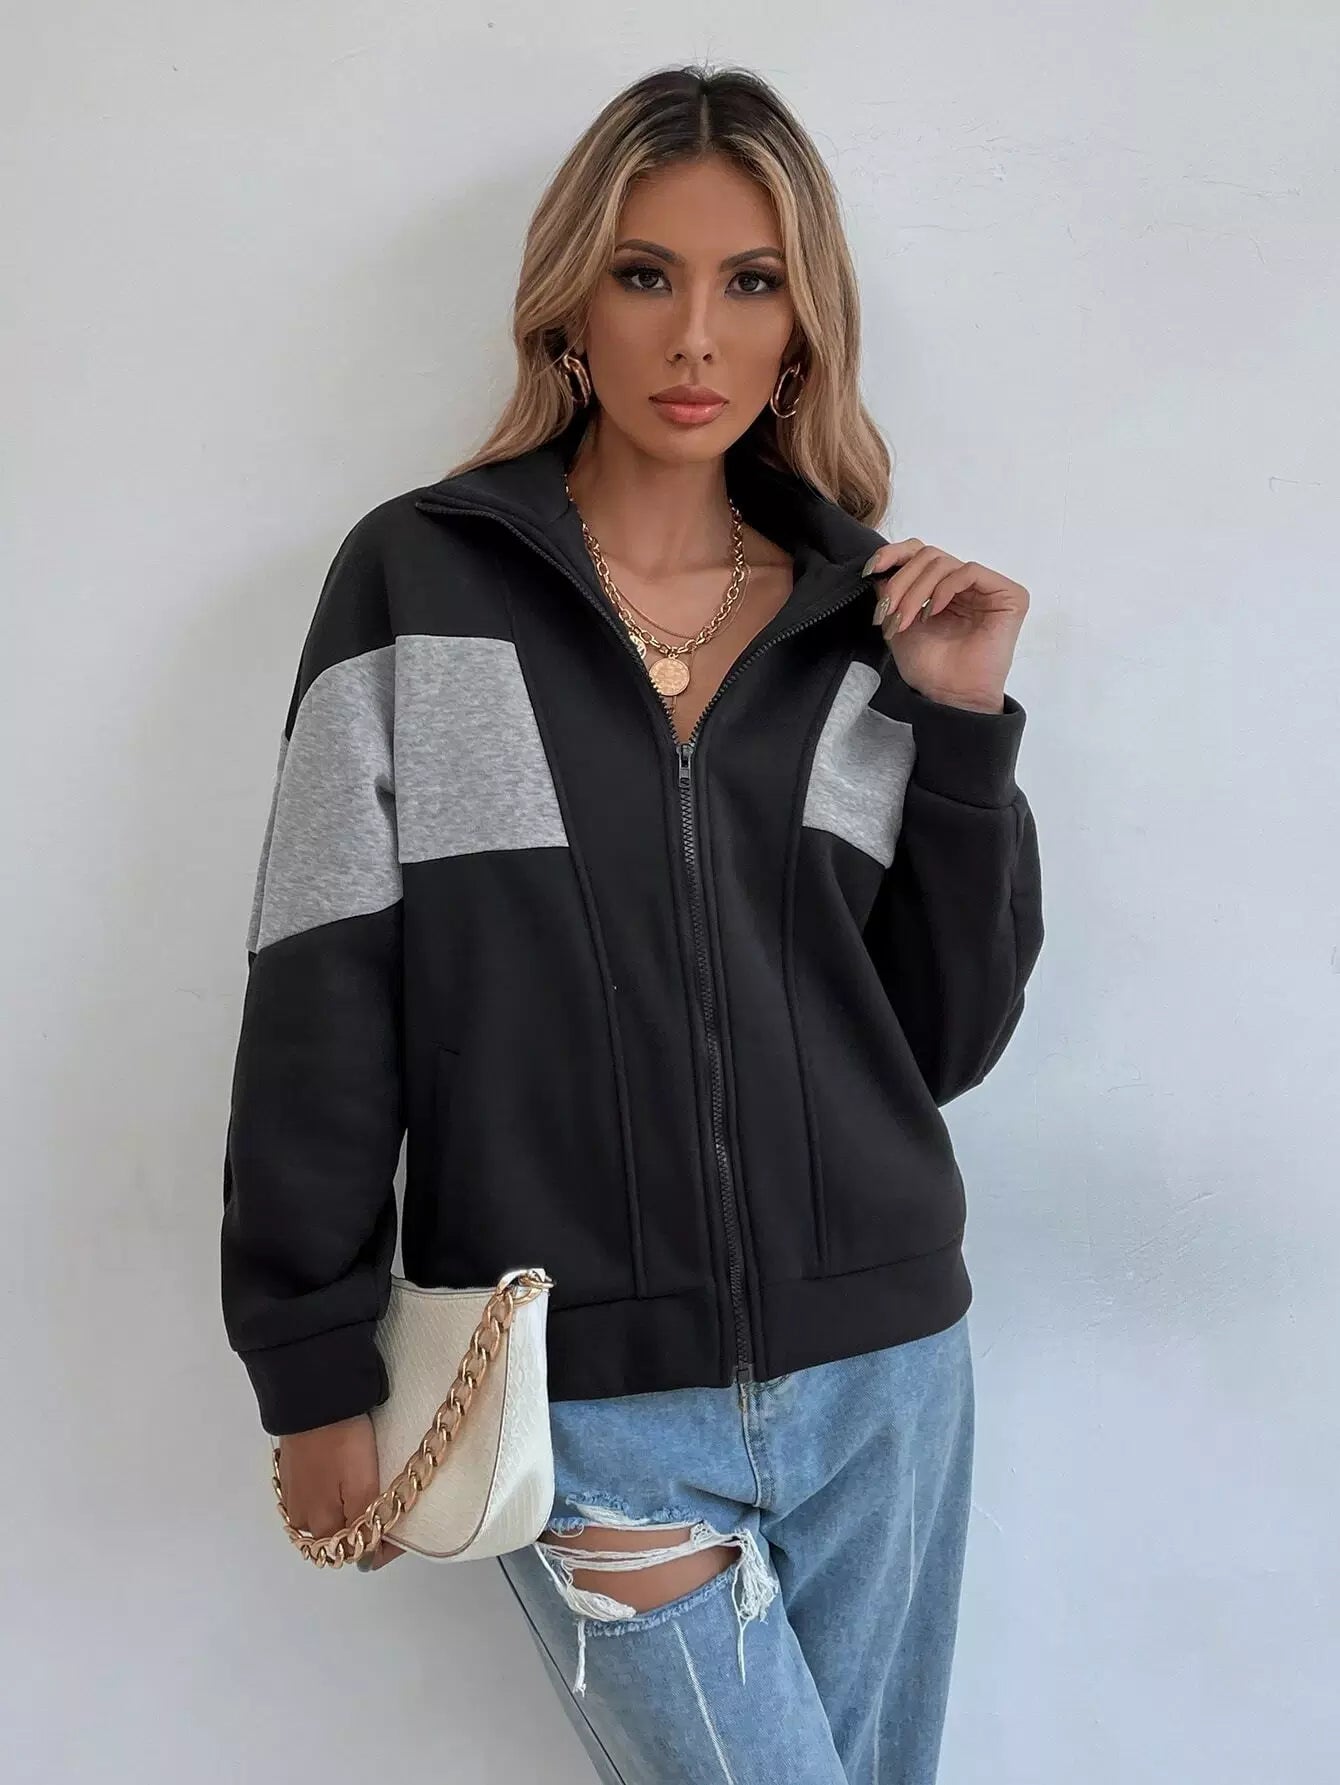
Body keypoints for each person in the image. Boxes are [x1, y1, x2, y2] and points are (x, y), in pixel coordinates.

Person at [221, 61, 1043, 1785]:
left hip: (885, 1375)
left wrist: (961, 725)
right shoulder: (420, 584)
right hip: (580, 1391)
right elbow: (322, 983)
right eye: (646, 273)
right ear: (570, 308)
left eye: (752, 283)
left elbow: (938, 1043)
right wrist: (308, 1358)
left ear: (802, 330)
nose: (695, 335)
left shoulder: (866, 629)